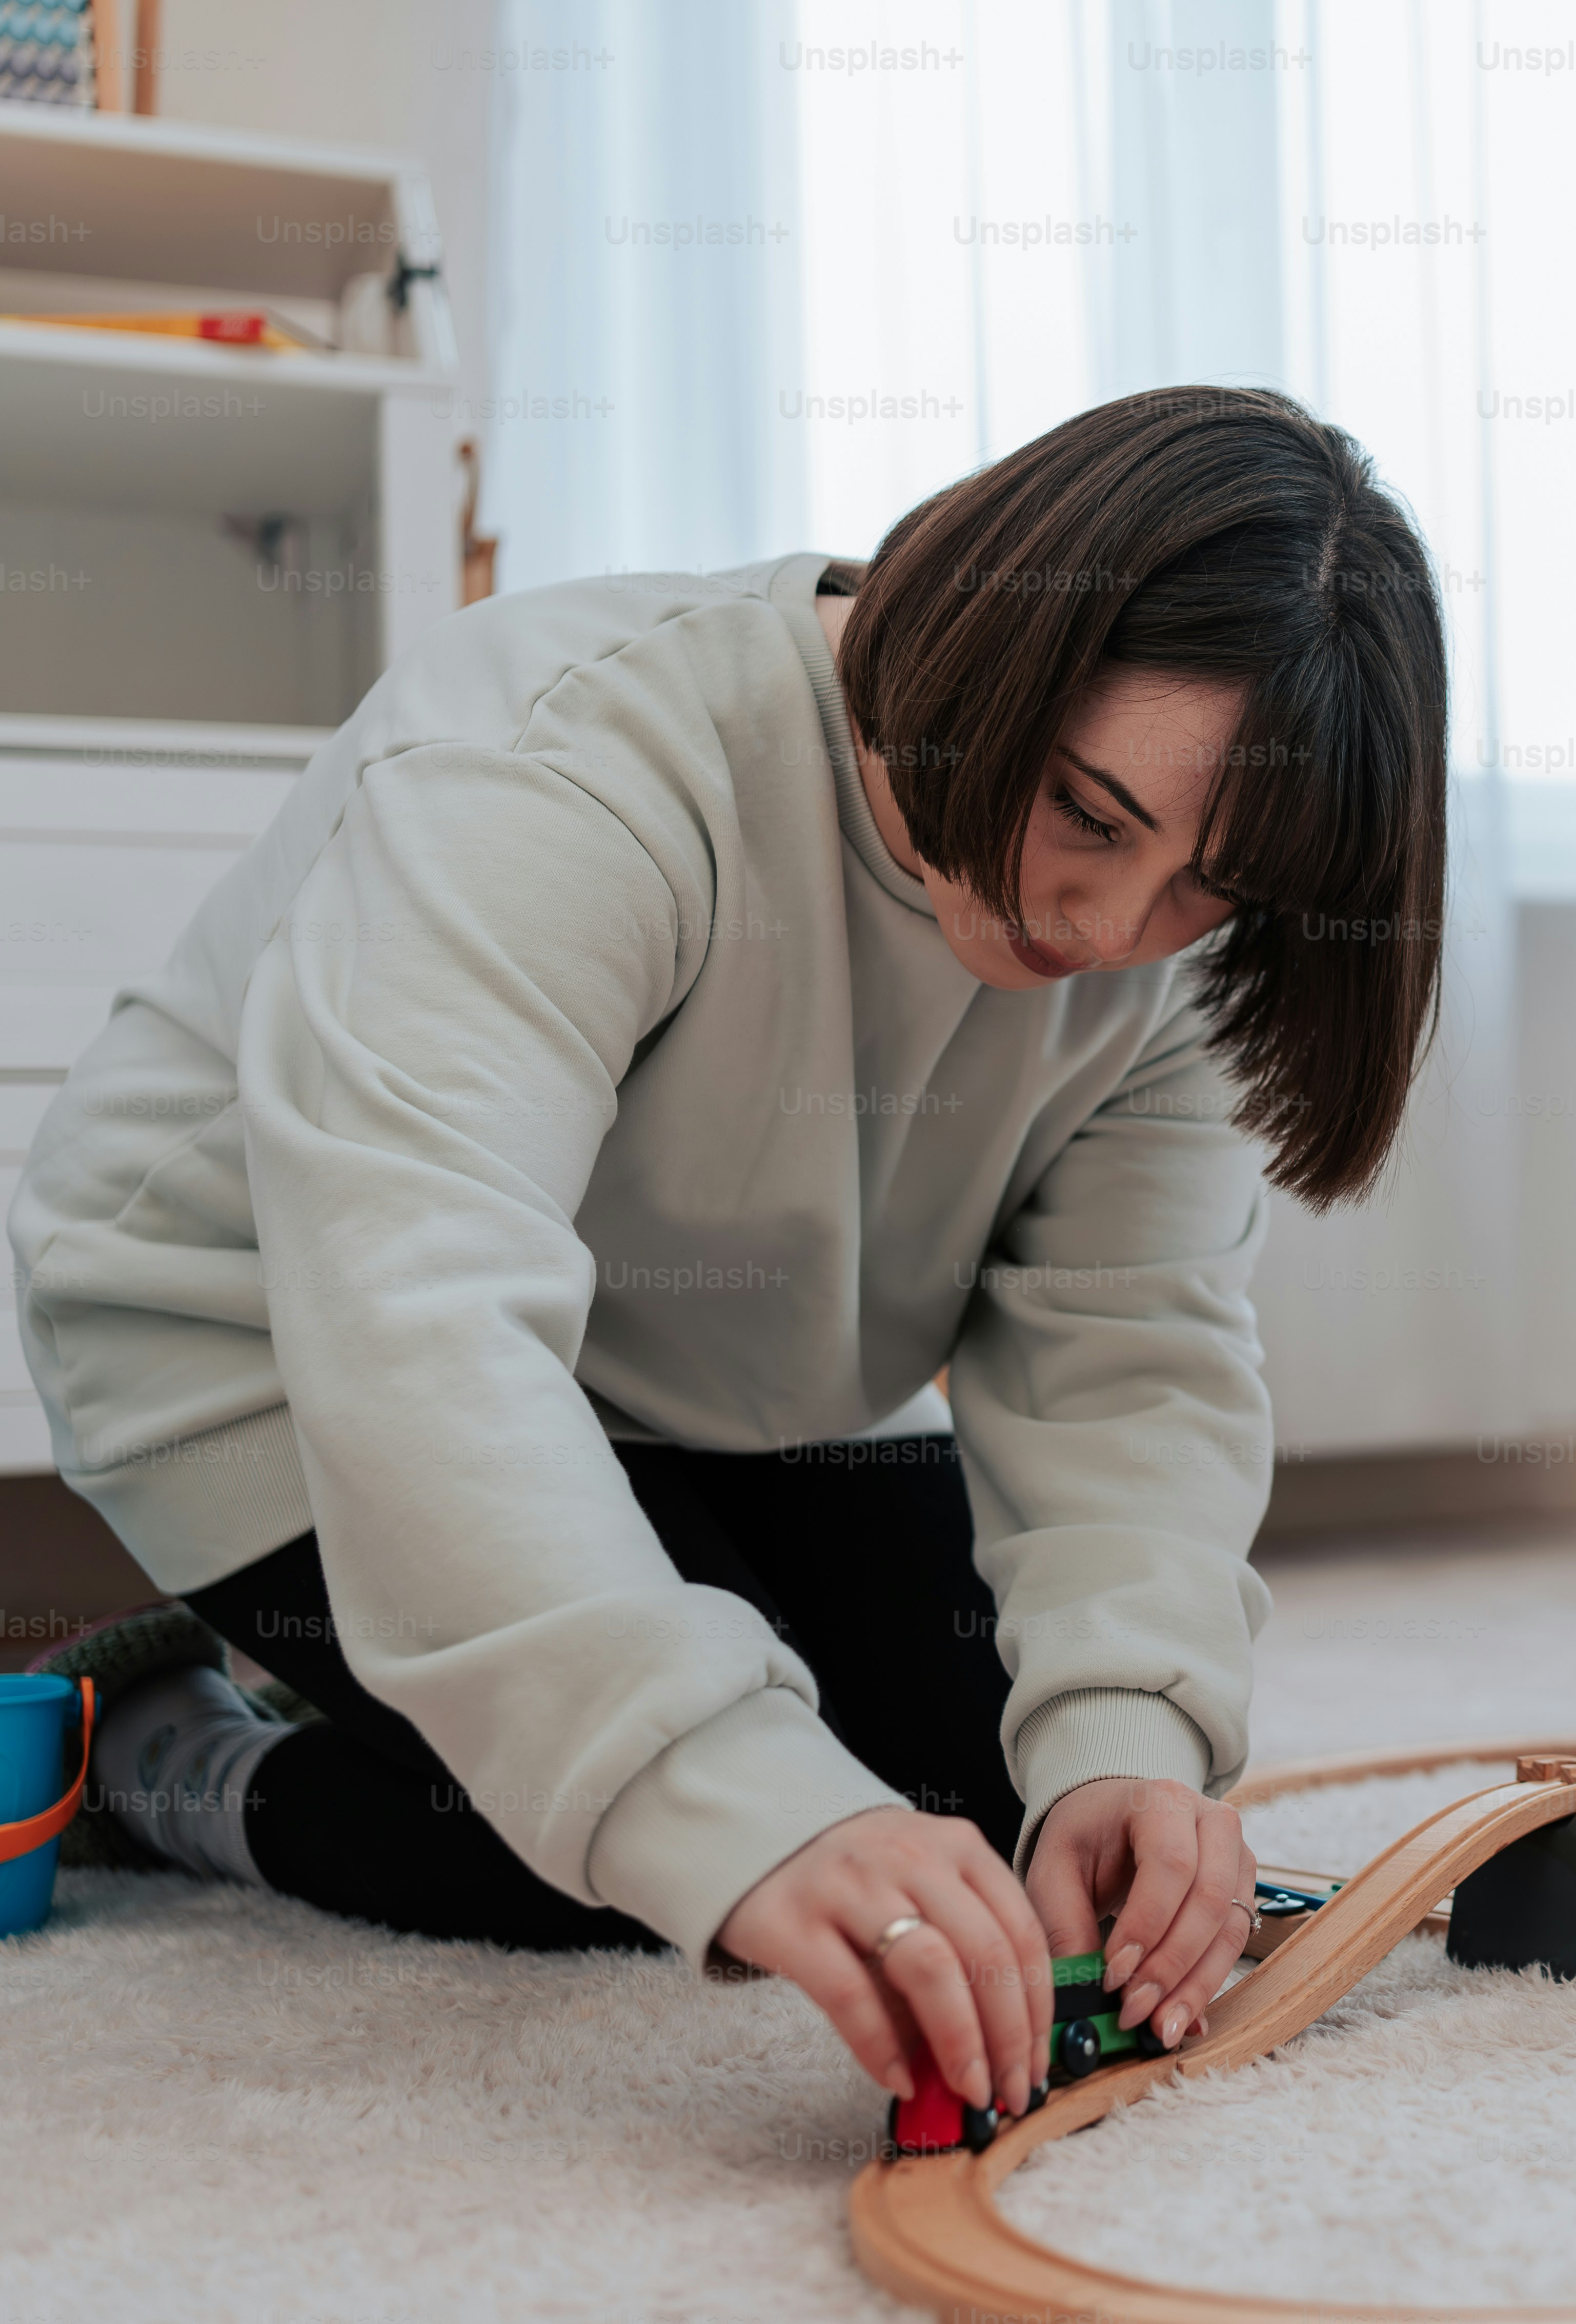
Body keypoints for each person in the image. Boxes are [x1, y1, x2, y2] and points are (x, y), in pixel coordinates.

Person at [12, 388, 1446, 2124]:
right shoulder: (565, 761)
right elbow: (418, 1327)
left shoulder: (1164, 946)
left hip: (689, 1377)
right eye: (1086, 811)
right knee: (629, 1838)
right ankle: (166, 1756)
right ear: (990, 636)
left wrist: (1129, 1743)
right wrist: (720, 1800)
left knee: (980, 1803)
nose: (1108, 930)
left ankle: (440, 1666)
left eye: (1206, 893)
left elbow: (1126, 1348)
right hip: (257, 1346)